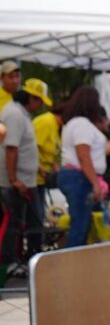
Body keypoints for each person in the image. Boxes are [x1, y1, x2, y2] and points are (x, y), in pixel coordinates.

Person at [0, 79, 51, 266]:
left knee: (25, 224)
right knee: (14, 226)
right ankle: (9, 263)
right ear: (31, 98)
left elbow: (22, 147)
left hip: (26, 180)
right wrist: (14, 179)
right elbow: (11, 148)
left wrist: (37, 166)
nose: (40, 106)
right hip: (16, 183)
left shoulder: (21, 114)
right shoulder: (14, 114)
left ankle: (24, 261)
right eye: (39, 101)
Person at [58, 86, 109, 248]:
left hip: (76, 176)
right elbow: (83, 155)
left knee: (82, 223)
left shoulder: (73, 123)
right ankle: (70, 263)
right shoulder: (82, 124)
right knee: (80, 225)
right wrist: (95, 182)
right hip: (80, 178)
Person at [34, 104, 64, 213]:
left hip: (42, 177)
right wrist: (39, 167)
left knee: (41, 211)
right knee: (36, 213)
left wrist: (57, 168)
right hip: (34, 176)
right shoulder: (46, 122)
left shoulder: (56, 126)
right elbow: (32, 148)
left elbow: (51, 152)